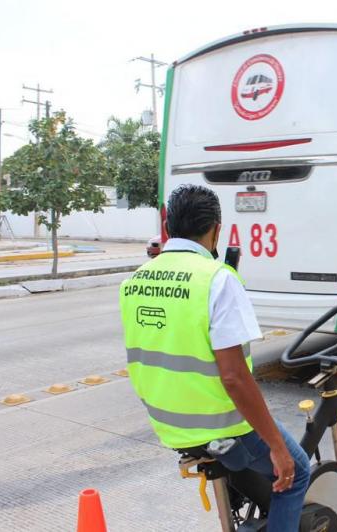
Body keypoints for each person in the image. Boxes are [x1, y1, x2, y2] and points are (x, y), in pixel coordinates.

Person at [119, 185, 310, 531]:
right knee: (296, 473)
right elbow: (235, 377)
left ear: (167, 224)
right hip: (221, 425)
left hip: (169, 426)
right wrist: (277, 446)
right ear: (216, 229)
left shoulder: (133, 280)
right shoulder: (217, 279)